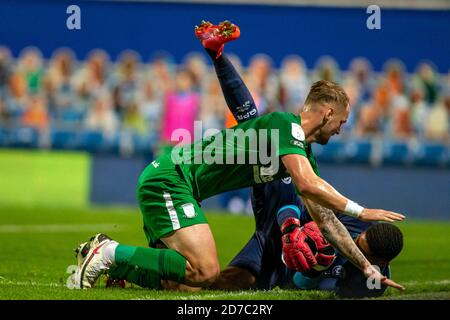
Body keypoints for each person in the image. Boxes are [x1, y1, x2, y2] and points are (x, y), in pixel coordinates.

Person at [71, 20, 405, 292]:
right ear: (328, 114)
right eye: (342, 122)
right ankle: (109, 253)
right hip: (171, 179)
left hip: (177, 185)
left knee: (185, 285)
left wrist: (364, 265)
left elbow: (328, 222)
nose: (341, 130)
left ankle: (122, 267)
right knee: (206, 271)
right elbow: (306, 183)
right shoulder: (285, 127)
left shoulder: (295, 150)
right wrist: (361, 210)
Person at [209, 179, 403, 298]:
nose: (352, 246)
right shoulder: (355, 223)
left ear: (380, 262)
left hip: (285, 271)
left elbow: (295, 288)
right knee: (279, 170)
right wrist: (290, 229)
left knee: (227, 281)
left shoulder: (370, 285)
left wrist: (316, 268)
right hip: (280, 239)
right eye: (358, 240)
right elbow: (295, 206)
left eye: (362, 251)